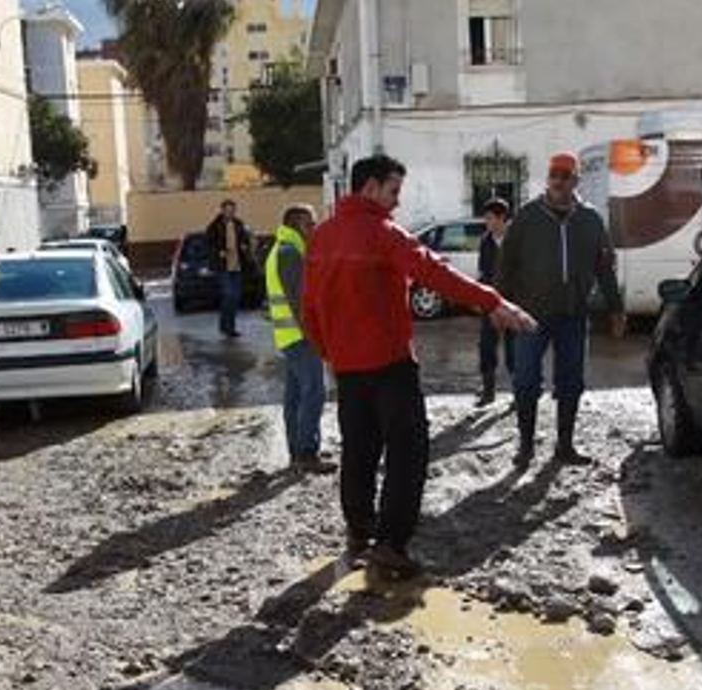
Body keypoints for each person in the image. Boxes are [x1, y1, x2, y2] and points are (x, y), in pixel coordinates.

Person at [304, 155, 537, 580]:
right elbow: (433, 272)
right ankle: (390, 544)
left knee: (358, 451)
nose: (396, 202)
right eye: (393, 191)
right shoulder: (383, 234)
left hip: (348, 370)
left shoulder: (321, 238)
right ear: (370, 188)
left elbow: (310, 309)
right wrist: (494, 303)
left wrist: (331, 354)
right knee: (408, 452)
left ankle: (359, 533)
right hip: (391, 365)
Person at [498, 151, 626, 468]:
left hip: (573, 314)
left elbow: (605, 267)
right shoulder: (526, 217)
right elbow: (505, 266)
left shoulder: (591, 219)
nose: (557, 181)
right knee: (526, 381)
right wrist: (498, 306)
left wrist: (616, 309)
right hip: (530, 315)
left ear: (575, 181)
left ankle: (564, 446)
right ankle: (526, 446)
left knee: (571, 381)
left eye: (564, 176)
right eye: (553, 174)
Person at [266, 203, 334, 475]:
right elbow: (300, 304)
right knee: (314, 393)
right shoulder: (289, 253)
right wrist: (317, 337)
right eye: (310, 224)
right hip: (301, 338)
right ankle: (307, 453)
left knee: (295, 397)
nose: (314, 229)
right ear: (295, 225)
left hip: (290, 337)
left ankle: (297, 451)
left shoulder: (282, 250)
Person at [475, 198, 514, 407]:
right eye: (486, 218)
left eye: (490, 218)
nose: (487, 222)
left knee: (514, 349)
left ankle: (520, 392)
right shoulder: (485, 241)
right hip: (490, 303)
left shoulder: (516, 239)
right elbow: (483, 272)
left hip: (514, 303)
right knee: (486, 346)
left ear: (501, 218)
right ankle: (488, 391)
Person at [205, 199, 254, 338]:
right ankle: (225, 327)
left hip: (237, 265)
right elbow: (208, 244)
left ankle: (230, 327)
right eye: (227, 210)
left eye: (232, 210)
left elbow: (245, 239)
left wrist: (245, 246)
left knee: (235, 297)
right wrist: (218, 252)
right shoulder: (214, 226)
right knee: (228, 295)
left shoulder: (239, 224)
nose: (230, 212)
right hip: (223, 267)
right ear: (222, 210)